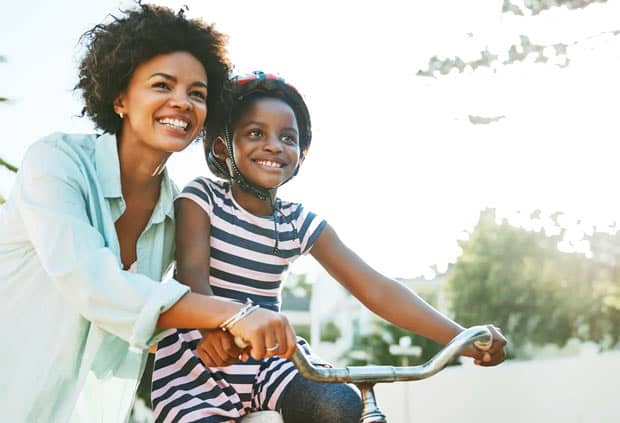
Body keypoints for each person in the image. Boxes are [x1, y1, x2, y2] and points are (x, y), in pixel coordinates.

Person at [152, 71, 508, 423]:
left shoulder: (298, 222)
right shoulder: (204, 197)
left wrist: (462, 337)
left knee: (339, 404)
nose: (274, 145)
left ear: (300, 154)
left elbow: (375, 288)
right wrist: (212, 330)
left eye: (288, 138)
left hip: (269, 364)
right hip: (197, 364)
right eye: (255, 133)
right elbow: (191, 270)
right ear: (222, 146)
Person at [0, 7, 298, 422]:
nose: (182, 101)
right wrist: (235, 314)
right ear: (120, 97)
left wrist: (214, 334)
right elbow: (93, 285)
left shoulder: (178, 211)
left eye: (197, 93)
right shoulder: (55, 161)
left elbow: (154, 316)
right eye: (162, 85)